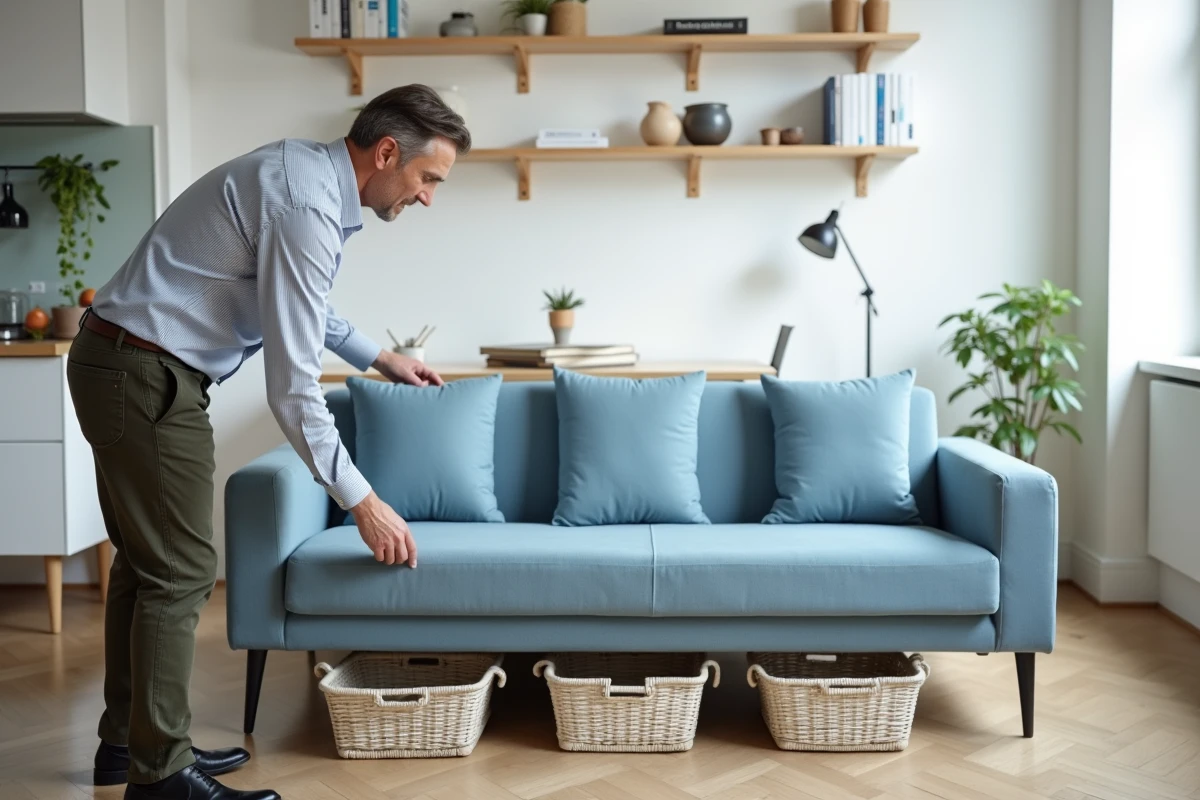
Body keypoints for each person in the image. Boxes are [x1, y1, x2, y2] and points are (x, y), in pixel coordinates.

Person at [65, 84, 470, 800]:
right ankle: (161, 778)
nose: (428, 197)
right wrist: (363, 501)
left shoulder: (306, 175)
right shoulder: (308, 204)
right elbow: (292, 391)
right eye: (428, 178)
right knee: (182, 570)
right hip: (145, 370)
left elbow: (301, 302)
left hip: (125, 360)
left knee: (145, 562)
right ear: (386, 153)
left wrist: (380, 357)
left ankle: (131, 746)